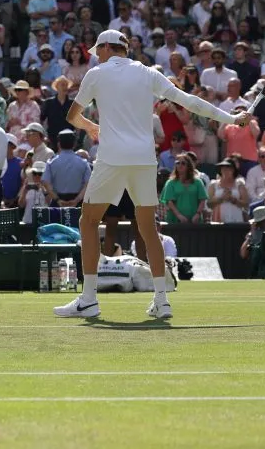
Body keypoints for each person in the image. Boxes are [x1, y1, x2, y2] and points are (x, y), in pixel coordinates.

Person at [54, 30, 251, 319]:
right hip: (145, 160)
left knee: (88, 221)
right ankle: (162, 300)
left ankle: (88, 299)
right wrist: (232, 118)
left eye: (100, 50)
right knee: (148, 228)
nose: (98, 55)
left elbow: (71, 116)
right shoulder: (147, 73)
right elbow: (190, 102)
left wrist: (90, 127)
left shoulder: (96, 74)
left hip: (112, 158)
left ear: (108, 48)